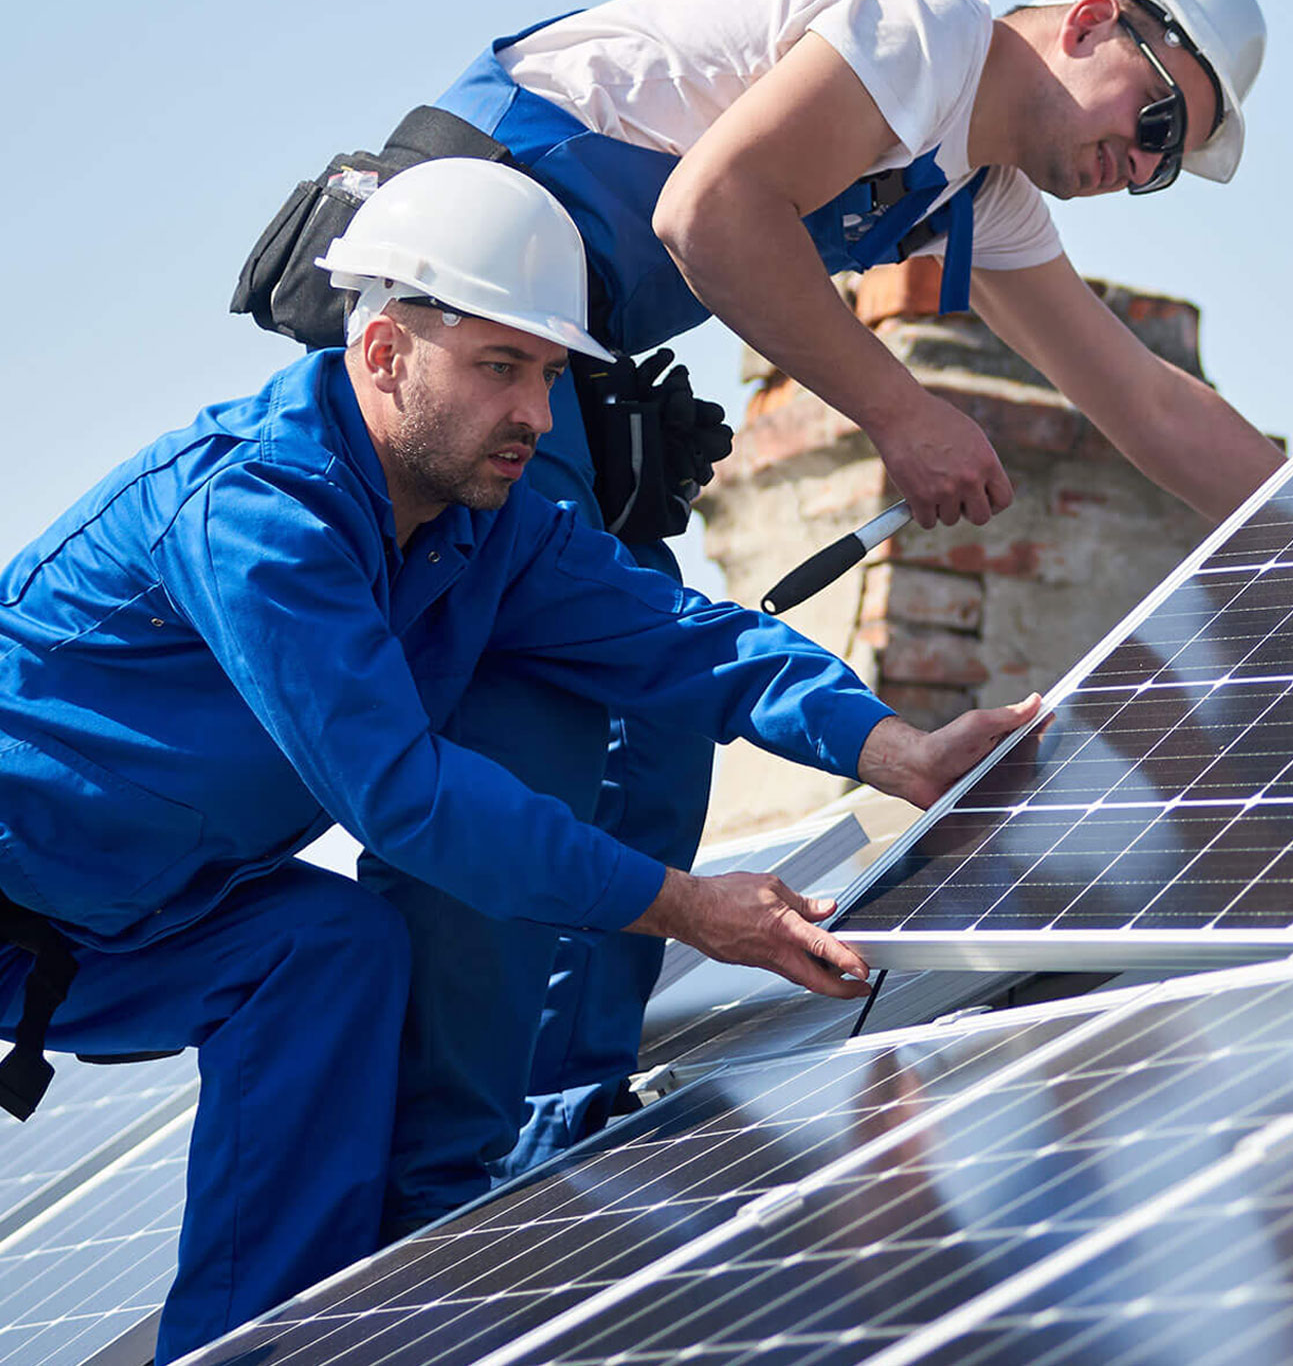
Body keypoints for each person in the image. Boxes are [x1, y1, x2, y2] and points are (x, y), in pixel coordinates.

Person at [238, 0, 1291, 1228]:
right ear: (1090, 23)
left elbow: (1144, 403)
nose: (1139, 169)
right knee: (537, 732)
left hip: (570, 346)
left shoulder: (978, 191)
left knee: (661, 731)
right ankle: (440, 1193)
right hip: (475, 310)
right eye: (1159, 121)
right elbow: (710, 214)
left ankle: (564, 1141)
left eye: (1165, 169)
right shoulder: (918, 28)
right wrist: (902, 412)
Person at [1, 161, 1033, 1359]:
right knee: (340, 928)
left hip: (135, 925)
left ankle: (260, 1344)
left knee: (326, 951)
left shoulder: (487, 527)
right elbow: (409, 797)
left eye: (549, 373)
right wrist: (682, 906)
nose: (540, 417)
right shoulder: (254, 518)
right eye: (501, 367)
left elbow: (684, 638)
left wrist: (890, 745)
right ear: (384, 351)